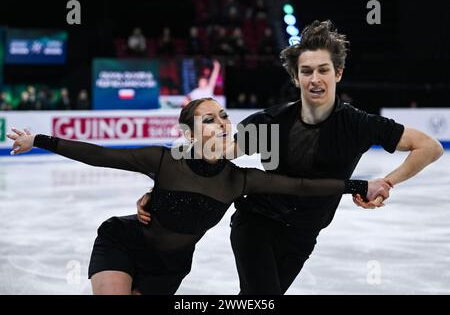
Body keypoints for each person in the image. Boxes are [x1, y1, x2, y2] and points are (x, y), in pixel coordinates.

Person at [137, 20, 444, 294]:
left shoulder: (359, 125)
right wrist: (161, 189)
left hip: (304, 236)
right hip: (258, 224)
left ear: (338, 72)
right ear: (296, 78)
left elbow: (430, 147)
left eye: (323, 70)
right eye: (306, 71)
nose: (315, 78)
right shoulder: (272, 122)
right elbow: (215, 153)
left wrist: (387, 182)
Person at [7, 98, 390, 295]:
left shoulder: (239, 180)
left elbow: (302, 187)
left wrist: (360, 185)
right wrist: (39, 140)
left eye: (223, 116)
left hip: (170, 268)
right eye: (209, 119)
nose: (222, 123)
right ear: (189, 133)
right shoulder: (163, 160)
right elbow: (100, 155)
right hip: (124, 243)